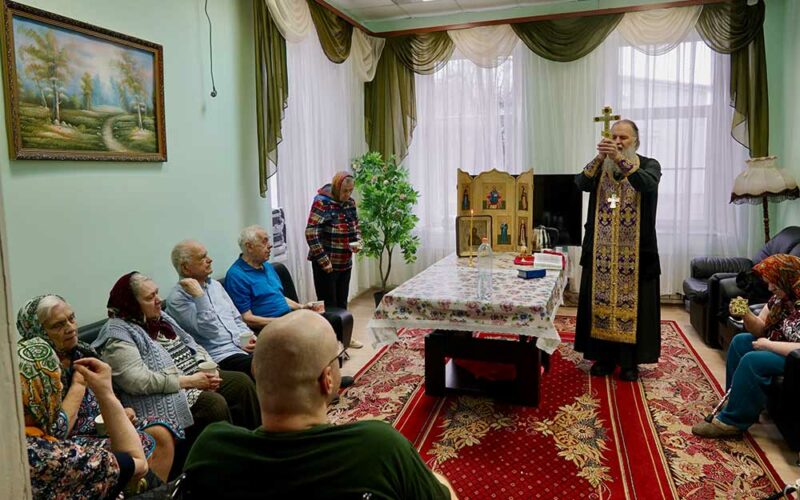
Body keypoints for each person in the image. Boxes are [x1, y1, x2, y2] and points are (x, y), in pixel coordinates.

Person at [183, 310, 457, 499]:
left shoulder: (211, 448)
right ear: (328, 379)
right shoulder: (378, 447)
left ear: (255, 371)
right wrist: (438, 480)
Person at [92, 272, 261, 474]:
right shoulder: (118, 334)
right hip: (166, 392)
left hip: (192, 375)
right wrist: (191, 381)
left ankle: (255, 446)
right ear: (131, 304)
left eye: (156, 293)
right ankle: (225, 470)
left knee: (240, 383)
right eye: (149, 298)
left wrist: (204, 364)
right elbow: (135, 380)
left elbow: (192, 343)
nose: (158, 301)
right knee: (213, 405)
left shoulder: (160, 317)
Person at [17, 294, 177, 482]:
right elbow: (54, 433)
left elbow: (109, 393)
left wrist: (120, 411)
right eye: (58, 325)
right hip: (66, 439)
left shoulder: (82, 351)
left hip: (98, 425)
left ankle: (154, 491)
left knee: (161, 429)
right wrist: (78, 384)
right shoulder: (37, 371)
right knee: (141, 444)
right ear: (37, 332)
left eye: (71, 318)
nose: (70, 328)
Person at [574, 119, 662, 382]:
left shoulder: (649, 164)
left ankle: (630, 362)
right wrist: (600, 157)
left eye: (623, 137)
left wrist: (620, 159)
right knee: (599, 305)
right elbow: (580, 183)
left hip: (637, 253)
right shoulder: (601, 165)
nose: (618, 142)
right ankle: (602, 357)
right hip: (601, 250)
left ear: (635, 140)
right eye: (614, 137)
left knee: (635, 310)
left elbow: (645, 183)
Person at [19, 337, 149, 498]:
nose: (60, 387)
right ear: (40, 392)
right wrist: (105, 393)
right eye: (55, 381)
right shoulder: (51, 457)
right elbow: (138, 463)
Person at [692, 254, 800, 438]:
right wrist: (746, 314)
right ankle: (735, 400)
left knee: (753, 360)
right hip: (778, 345)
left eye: (774, 283)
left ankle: (731, 423)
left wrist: (768, 345)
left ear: (786, 278)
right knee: (740, 342)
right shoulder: (779, 299)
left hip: (794, 356)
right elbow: (760, 328)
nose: (770, 287)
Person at [227, 225, 363, 367]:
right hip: (268, 327)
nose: (270, 245)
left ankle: (329, 373)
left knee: (329, 322)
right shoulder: (237, 275)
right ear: (249, 247)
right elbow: (246, 318)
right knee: (311, 335)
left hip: (287, 317)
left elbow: (279, 297)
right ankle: (318, 377)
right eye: (264, 241)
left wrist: (301, 307)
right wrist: (279, 321)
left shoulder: (266, 266)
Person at [166, 240, 257, 378]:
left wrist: (248, 338)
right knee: (265, 366)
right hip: (221, 355)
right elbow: (210, 331)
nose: (209, 260)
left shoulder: (215, 285)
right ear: (186, 268)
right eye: (202, 258)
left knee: (283, 352)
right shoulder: (177, 299)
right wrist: (199, 296)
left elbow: (236, 319)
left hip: (241, 347)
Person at [305, 172, 364, 348]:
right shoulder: (322, 201)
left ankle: (344, 337)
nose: (347, 195)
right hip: (326, 264)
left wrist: (358, 242)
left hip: (345, 261)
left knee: (342, 302)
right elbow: (311, 233)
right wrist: (324, 261)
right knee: (329, 305)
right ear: (337, 187)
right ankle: (330, 343)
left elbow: (356, 227)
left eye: (351, 191)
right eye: (345, 191)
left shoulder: (350, 203)